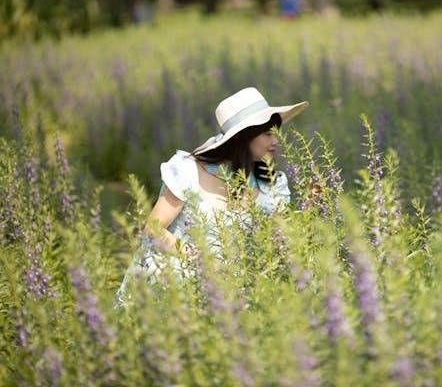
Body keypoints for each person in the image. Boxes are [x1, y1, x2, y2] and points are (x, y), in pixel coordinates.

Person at [114, 87, 309, 307]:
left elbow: (281, 240)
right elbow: (152, 228)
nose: (276, 140)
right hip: (171, 284)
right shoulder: (189, 170)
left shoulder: (272, 185)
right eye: (268, 134)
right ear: (243, 136)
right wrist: (197, 259)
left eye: (277, 132)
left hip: (231, 295)